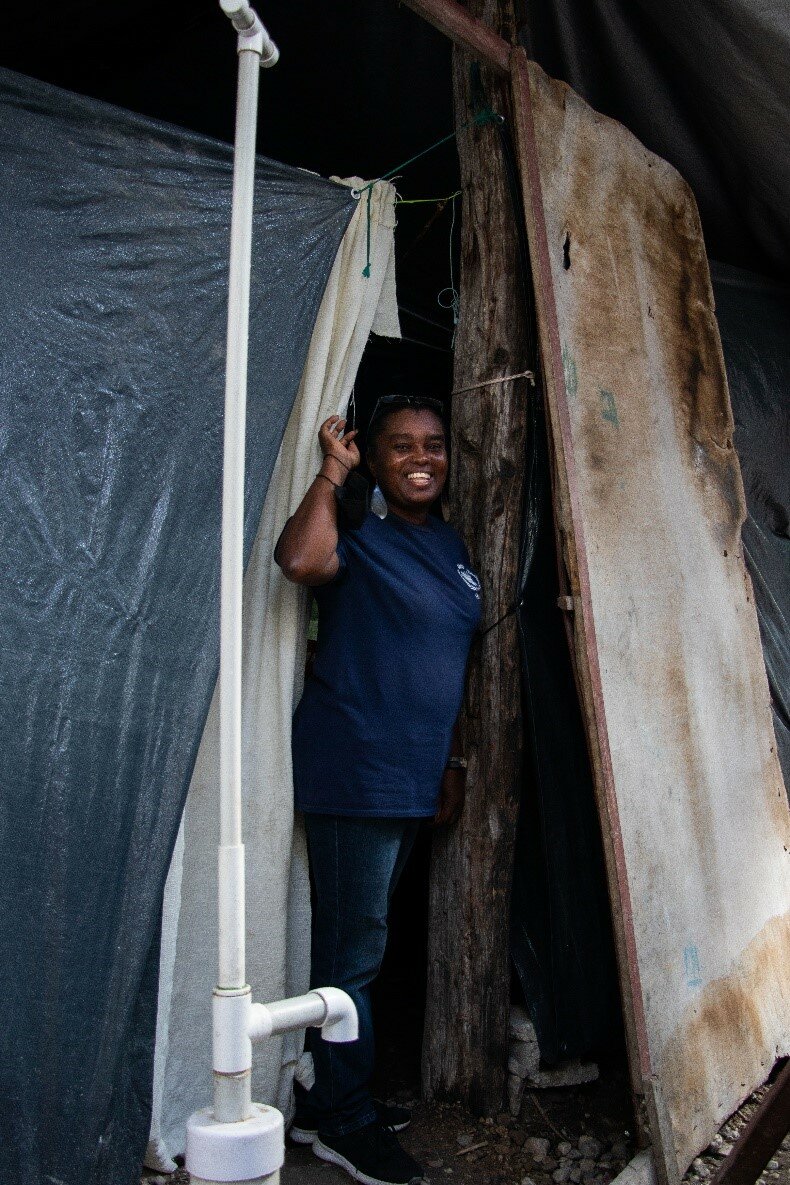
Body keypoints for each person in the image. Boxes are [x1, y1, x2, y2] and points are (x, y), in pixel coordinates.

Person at [275, 394, 481, 1185]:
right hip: (355, 769)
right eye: (401, 446)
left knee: (366, 944)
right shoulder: (360, 531)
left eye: (433, 444)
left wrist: (453, 763)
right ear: (377, 454)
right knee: (351, 954)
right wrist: (333, 470)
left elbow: (452, 670)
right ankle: (342, 1121)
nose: (421, 457)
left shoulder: (455, 547)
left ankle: (338, 1091)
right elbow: (299, 563)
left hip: (413, 778)